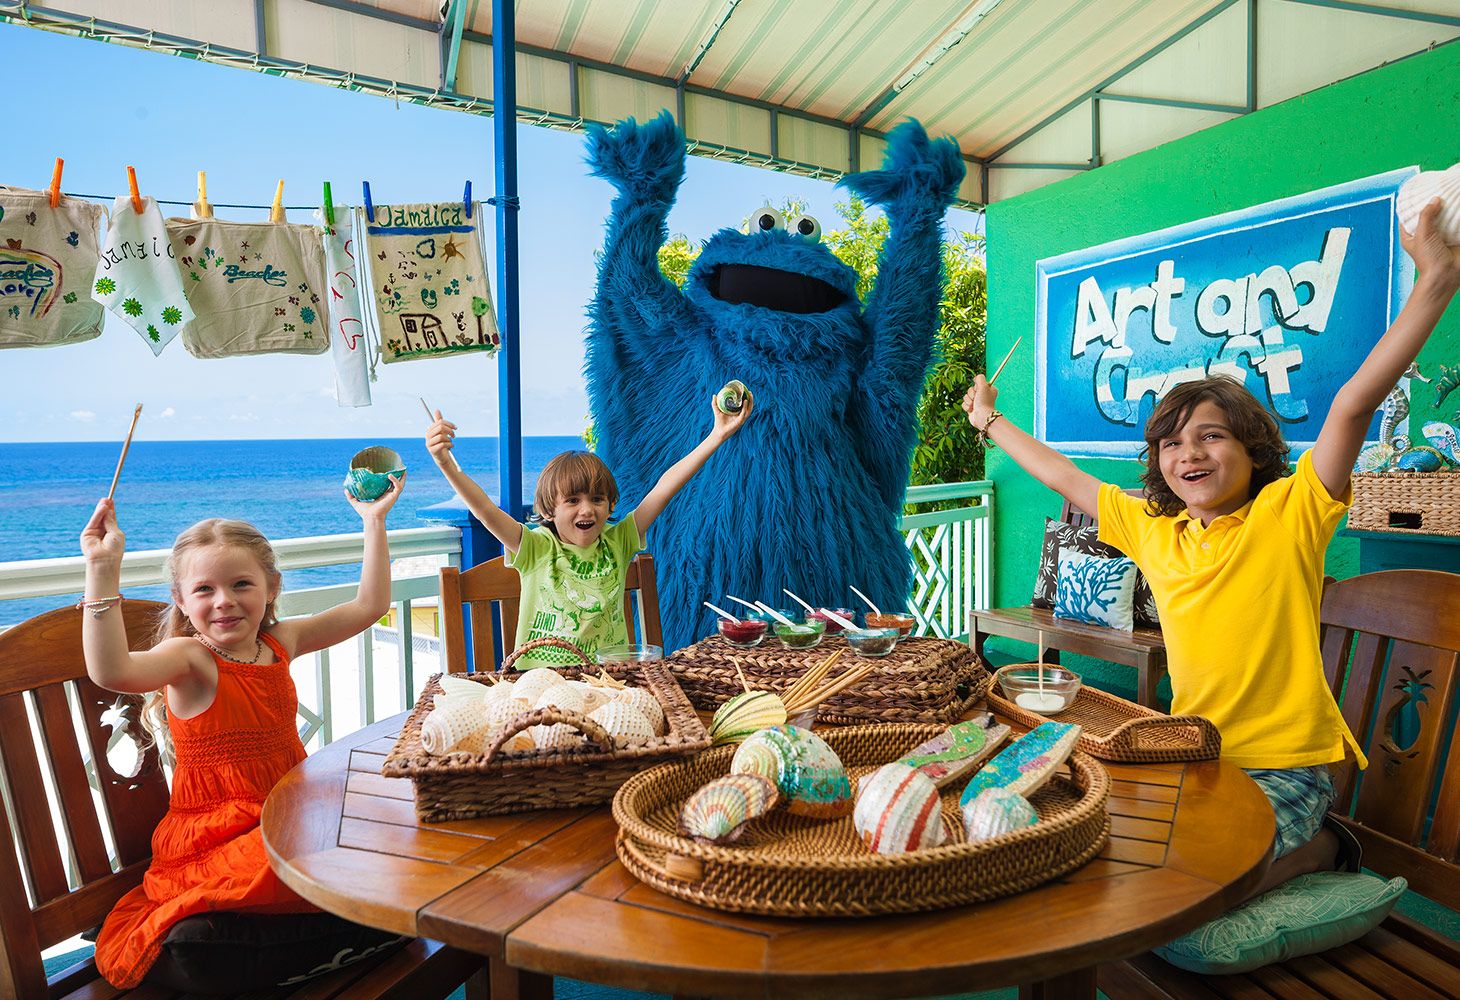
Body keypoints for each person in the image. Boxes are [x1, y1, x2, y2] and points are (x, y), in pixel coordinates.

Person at [963, 198, 1460, 889]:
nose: (1188, 453)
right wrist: (990, 421)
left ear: (1253, 451)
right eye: (1171, 443)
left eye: (1211, 435)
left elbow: (1351, 405)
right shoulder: (1151, 528)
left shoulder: (1291, 511)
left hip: (1287, 767)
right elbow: (1062, 473)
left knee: (1202, 891)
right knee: (1109, 862)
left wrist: (1435, 280)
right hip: (1197, 755)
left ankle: (1325, 848)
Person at [79, 476, 404, 991]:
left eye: (241, 585)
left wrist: (374, 521)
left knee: (383, 823)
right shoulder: (191, 660)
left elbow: (368, 606)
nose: (224, 601)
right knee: (294, 863)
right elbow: (111, 670)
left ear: (271, 588)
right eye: (204, 589)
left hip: (289, 810)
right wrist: (101, 569)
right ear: (182, 602)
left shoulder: (280, 640)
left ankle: (294, 936)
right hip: (219, 835)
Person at [426, 394, 753, 668]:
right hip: (543, 687)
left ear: (611, 506)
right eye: (572, 500)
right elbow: (484, 510)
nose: (586, 509)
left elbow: (665, 487)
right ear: (548, 510)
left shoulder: (619, 541)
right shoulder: (536, 548)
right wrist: (445, 463)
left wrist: (717, 436)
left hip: (611, 682)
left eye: (597, 499)